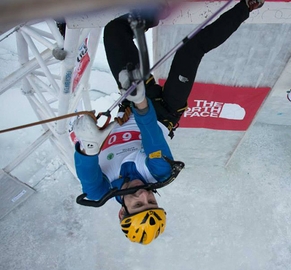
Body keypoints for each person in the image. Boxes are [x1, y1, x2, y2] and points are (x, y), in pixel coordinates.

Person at [73, 0, 266, 246]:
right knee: (190, 51)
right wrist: (140, 101)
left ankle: (148, 18)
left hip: (133, 105)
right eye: (152, 201)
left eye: (138, 204)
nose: (144, 194)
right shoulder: (159, 173)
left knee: (114, 32)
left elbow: (88, 175)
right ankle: (246, 7)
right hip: (163, 110)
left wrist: (88, 148)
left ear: (122, 211)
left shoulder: (100, 191)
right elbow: (151, 133)